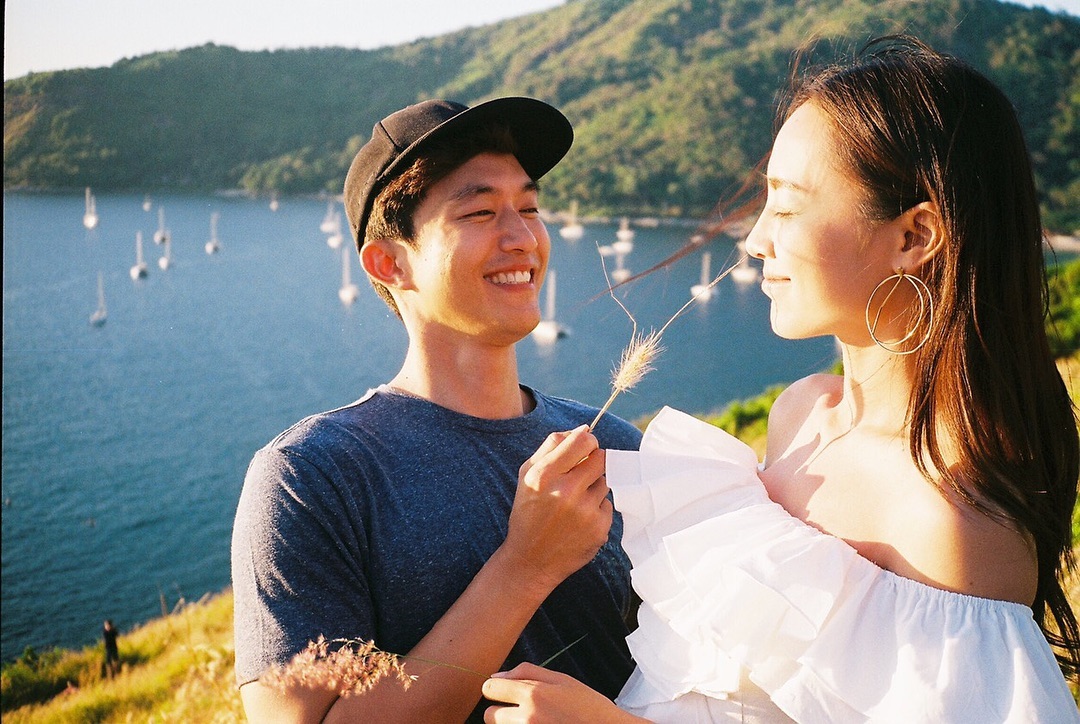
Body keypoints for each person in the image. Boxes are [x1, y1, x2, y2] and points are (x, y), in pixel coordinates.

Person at [481, 36, 1080, 722]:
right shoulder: (802, 415)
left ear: (914, 237)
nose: (756, 239)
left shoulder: (950, 515)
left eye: (787, 207)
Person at [230, 96, 643, 722]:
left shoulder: (613, 444)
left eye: (530, 208)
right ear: (390, 263)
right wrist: (525, 568)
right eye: (480, 212)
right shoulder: (312, 478)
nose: (523, 237)